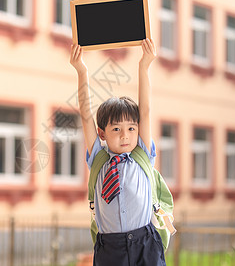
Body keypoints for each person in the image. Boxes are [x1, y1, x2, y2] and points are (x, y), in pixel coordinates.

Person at [69, 38, 166, 266]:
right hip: (110, 248)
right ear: (102, 133)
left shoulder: (142, 152)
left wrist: (144, 65)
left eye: (131, 128)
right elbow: (85, 116)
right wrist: (81, 71)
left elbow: (146, 110)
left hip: (145, 244)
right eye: (116, 129)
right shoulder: (99, 158)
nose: (125, 135)